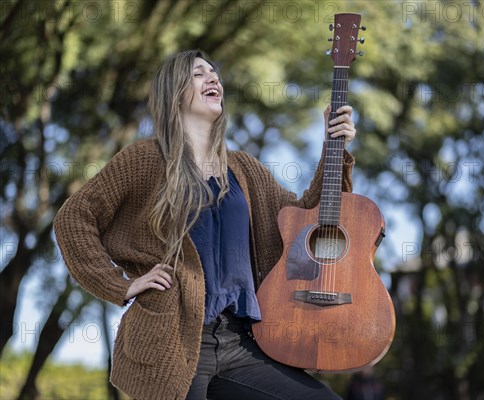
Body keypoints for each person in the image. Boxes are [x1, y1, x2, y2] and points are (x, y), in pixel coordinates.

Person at [54, 50, 356, 400]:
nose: (214, 79)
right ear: (174, 92)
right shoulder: (144, 161)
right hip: (174, 341)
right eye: (199, 74)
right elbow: (74, 217)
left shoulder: (245, 170)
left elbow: (306, 221)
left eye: (215, 74)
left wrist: (334, 149)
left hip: (244, 343)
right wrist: (118, 284)